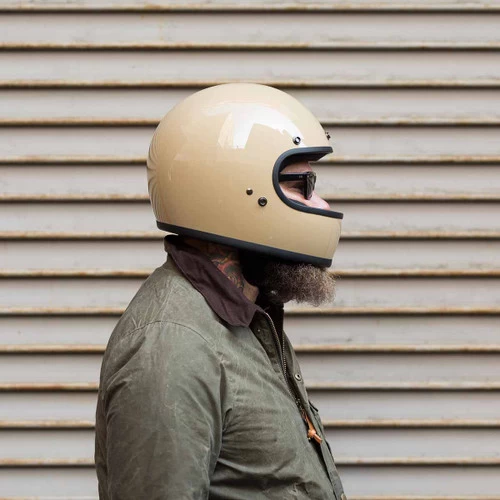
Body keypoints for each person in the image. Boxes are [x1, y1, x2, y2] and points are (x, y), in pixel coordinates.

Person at [94, 83, 347, 499]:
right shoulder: (173, 348)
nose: (320, 204)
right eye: (302, 184)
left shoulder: (245, 316)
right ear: (232, 190)